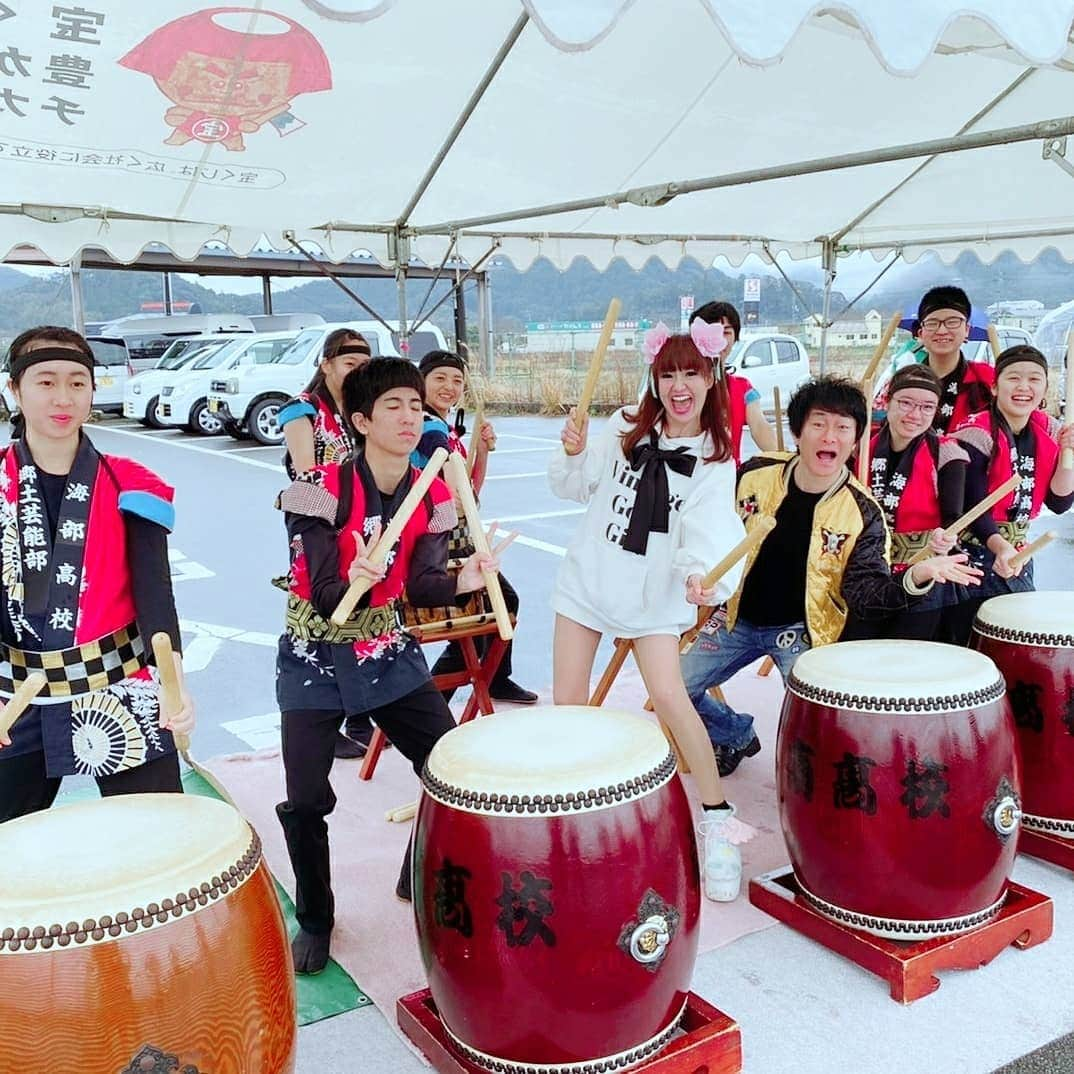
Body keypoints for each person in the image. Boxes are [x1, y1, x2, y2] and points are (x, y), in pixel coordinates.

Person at [274, 357, 509, 973]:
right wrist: (352, 574)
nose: (410, 418)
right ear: (360, 420)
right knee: (305, 798)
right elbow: (325, 594)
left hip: (387, 648)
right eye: (393, 408)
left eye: (415, 406)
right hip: (315, 654)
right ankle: (316, 919)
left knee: (453, 768)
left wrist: (466, 576)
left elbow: (427, 585)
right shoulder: (318, 489)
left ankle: (420, 867)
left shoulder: (433, 491)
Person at [680, 376, 981, 777]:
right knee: (673, 686)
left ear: (856, 440)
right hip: (735, 619)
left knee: (819, 722)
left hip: (804, 631)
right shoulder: (752, 475)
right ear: (798, 431)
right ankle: (735, 733)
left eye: (843, 428)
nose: (830, 436)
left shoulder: (862, 512)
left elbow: (865, 592)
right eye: (819, 423)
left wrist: (917, 574)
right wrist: (698, 571)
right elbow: (707, 527)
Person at [549, 318, 752, 902]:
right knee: (569, 705)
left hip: (652, 594)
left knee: (670, 697)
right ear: (655, 379)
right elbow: (575, 486)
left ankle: (716, 817)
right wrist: (574, 451)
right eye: (668, 374)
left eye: (692, 372)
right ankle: (580, 811)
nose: (679, 385)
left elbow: (711, 529)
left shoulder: (715, 459)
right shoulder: (623, 427)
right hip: (589, 580)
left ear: (713, 376)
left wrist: (699, 576)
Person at [0, 326, 194, 822]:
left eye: (77, 382)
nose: (63, 397)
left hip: (118, 680)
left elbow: (156, 596)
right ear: (14, 390)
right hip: (19, 690)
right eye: (45, 382)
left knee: (158, 831)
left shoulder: (131, 483)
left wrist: (174, 687)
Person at [411, 349, 537, 705]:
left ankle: (484, 681)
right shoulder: (430, 425)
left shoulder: (443, 426)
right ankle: (437, 698)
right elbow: (456, 491)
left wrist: (480, 450)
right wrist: (457, 485)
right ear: (421, 381)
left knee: (480, 616)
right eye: (440, 378)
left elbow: (471, 488)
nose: (449, 387)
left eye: (457, 381)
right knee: (485, 613)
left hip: (455, 536)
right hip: (442, 542)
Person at [278, 329, 377, 759]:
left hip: (355, 520)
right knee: (320, 617)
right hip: (316, 522)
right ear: (327, 365)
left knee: (359, 611)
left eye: (364, 366)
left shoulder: (358, 411)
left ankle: (358, 711)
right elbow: (307, 474)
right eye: (350, 364)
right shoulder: (302, 409)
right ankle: (325, 721)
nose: (358, 372)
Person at [945, 345, 1074, 643]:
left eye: (1034, 379)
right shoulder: (975, 433)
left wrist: (1069, 456)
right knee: (971, 643)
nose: (1024, 387)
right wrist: (1001, 548)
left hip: (1018, 551)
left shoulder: (1050, 430)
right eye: (1013, 378)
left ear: (1044, 389)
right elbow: (972, 505)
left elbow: (1059, 502)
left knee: (1014, 643)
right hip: (974, 554)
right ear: (994, 386)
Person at [845, 364, 970, 641]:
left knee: (908, 663)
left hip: (922, 575)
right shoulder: (859, 447)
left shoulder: (946, 452)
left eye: (927, 407)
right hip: (866, 572)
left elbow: (953, 516)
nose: (915, 415)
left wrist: (946, 537)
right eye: (905, 403)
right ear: (887, 401)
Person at [875, 286, 994, 434]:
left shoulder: (987, 379)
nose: (942, 331)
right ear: (920, 333)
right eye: (932, 323)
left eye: (952, 322)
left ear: (967, 330)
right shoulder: (901, 380)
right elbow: (875, 430)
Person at [689, 301, 777, 462]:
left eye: (726, 332)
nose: (719, 340)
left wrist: (782, 456)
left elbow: (759, 426)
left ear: (736, 337)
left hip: (727, 480)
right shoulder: (680, 388)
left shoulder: (742, 389)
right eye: (711, 332)